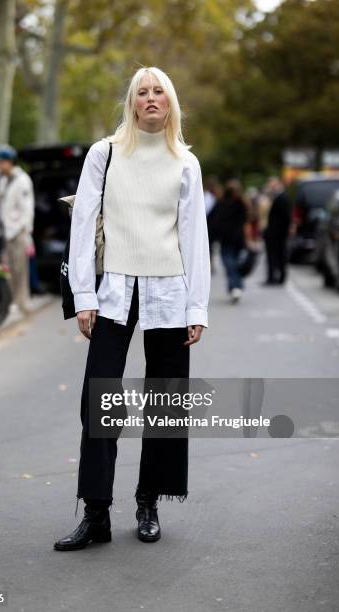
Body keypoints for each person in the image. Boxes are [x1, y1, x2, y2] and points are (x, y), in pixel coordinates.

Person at [53, 66, 211, 551]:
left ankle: (148, 502)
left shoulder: (185, 161)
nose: (149, 98)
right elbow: (82, 226)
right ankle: (96, 513)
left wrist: (197, 307)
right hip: (114, 289)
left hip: (169, 290)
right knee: (99, 400)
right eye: (141, 92)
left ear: (171, 101)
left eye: (158, 91)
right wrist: (84, 296)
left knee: (165, 401)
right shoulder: (105, 154)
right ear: (131, 101)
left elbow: (194, 237)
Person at [0, 145, 35, 316]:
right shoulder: (2, 180)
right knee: (8, 269)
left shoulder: (22, 179)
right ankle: (11, 302)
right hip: (5, 231)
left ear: (9, 162)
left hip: (18, 232)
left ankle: (22, 303)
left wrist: (24, 231)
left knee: (20, 269)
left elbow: (27, 209)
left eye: (1, 162)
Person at [215, 180, 251, 303]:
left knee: (230, 265)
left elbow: (214, 222)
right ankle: (236, 286)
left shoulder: (222, 203)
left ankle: (234, 287)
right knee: (233, 265)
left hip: (229, 240)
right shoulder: (241, 203)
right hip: (236, 240)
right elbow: (246, 223)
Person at [263, 177, 292, 285]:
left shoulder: (282, 197)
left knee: (278, 255)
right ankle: (275, 276)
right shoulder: (278, 197)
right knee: (276, 255)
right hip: (276, 232)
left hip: (277, 233)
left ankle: (278, 277)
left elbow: (285, 217)